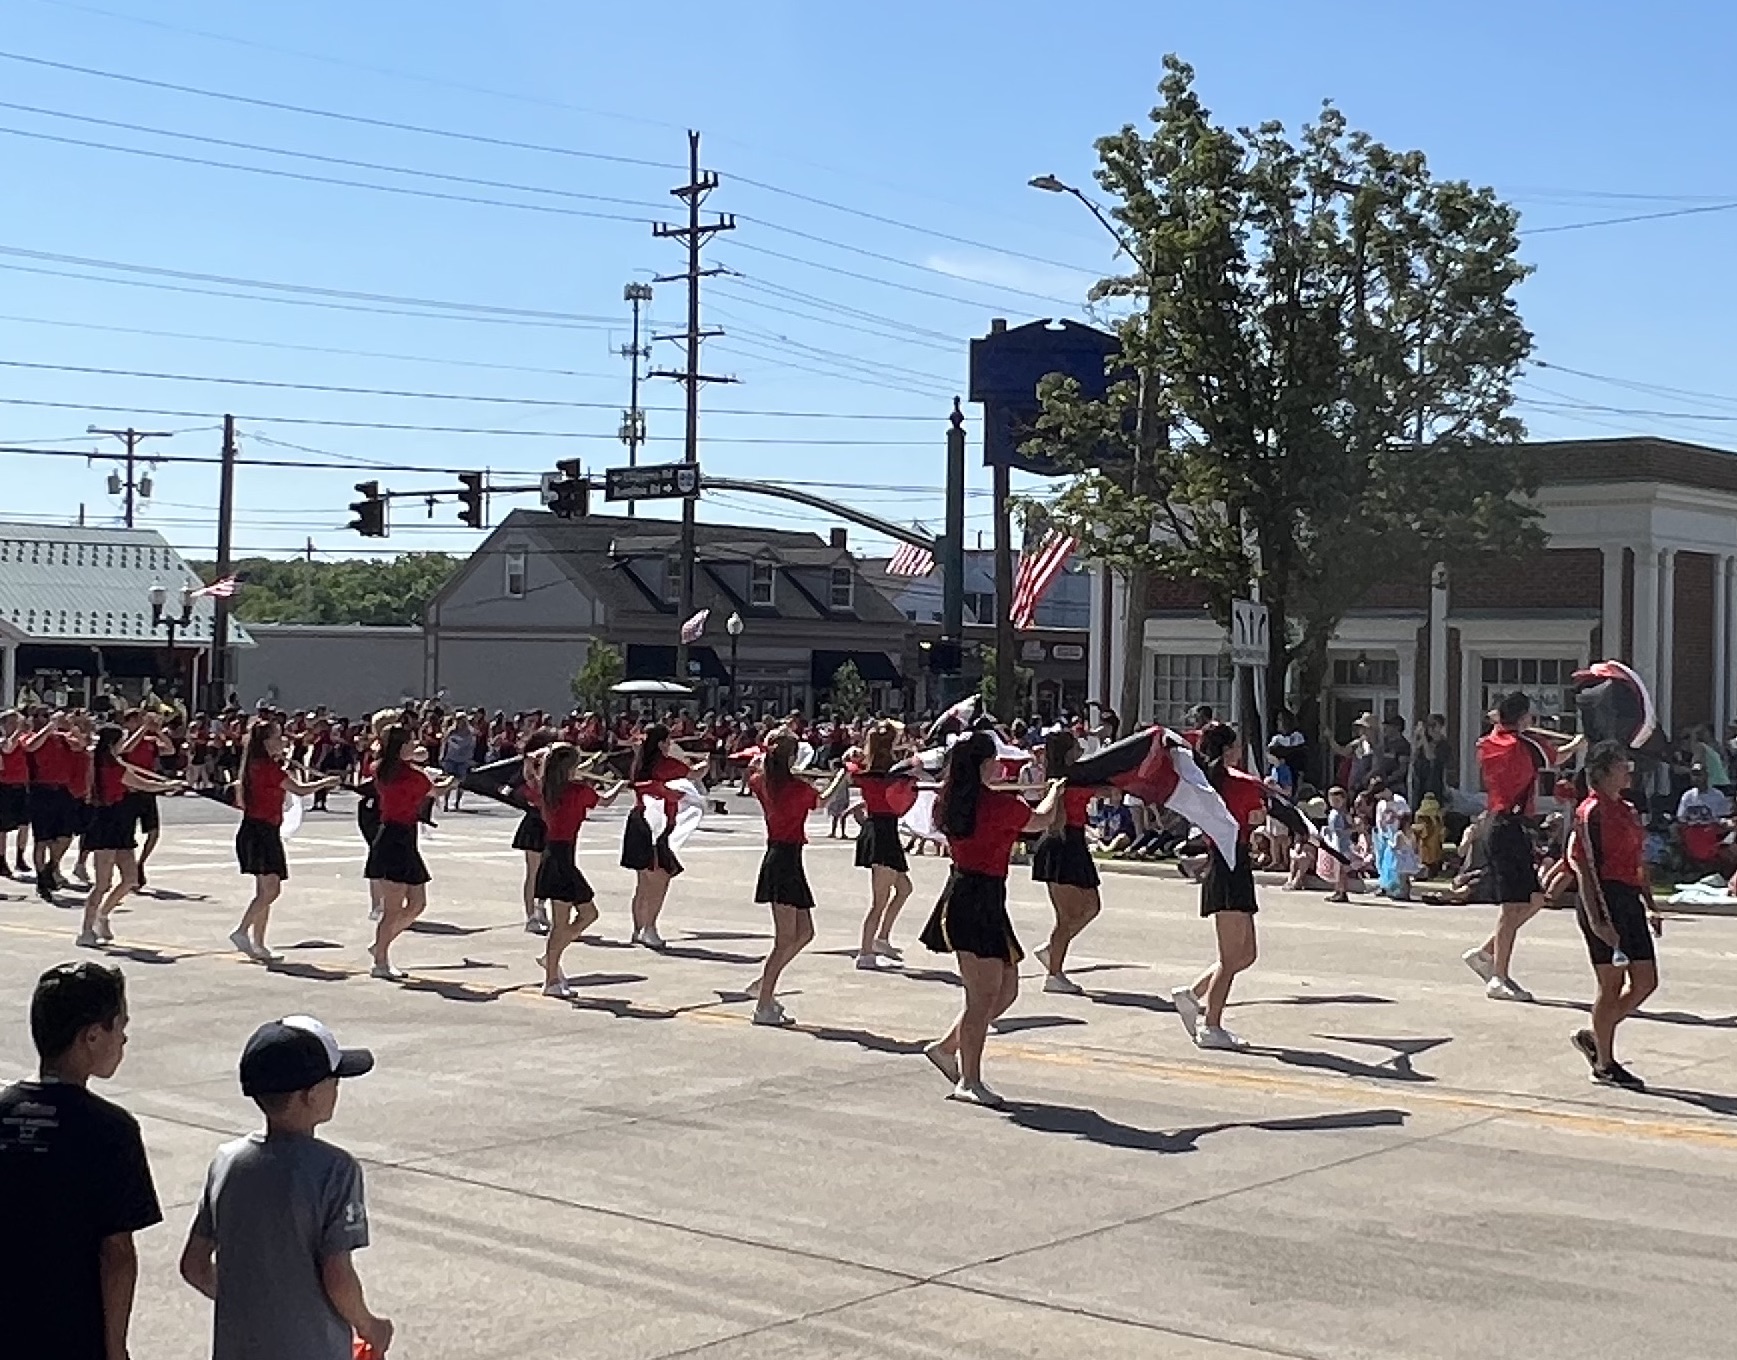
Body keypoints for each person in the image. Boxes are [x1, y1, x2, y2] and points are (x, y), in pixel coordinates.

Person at [179, 1015, 392, 1359]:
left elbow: (194, 1265)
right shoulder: (336, 1171)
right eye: (333, 1080)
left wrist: (254, 1307)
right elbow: (337, 1275)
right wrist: (371, 1326)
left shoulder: (227, 1162)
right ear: (310, 1095)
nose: (338, 1088)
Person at [0, 961, 162, 1360]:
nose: (124, 1039)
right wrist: (115, 1348)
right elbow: (117, 1254)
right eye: (119, 1026)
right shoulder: (111, 1130)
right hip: (72, 1333)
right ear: (91, 1036)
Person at [918, 730, 1065, 1108]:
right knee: (981, 997)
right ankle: (969, 1080)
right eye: (995, 759)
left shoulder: (951, 800)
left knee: (1005, 991)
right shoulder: (999, 804)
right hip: (976, 897)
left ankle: (946, 1047)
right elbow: (1040, 821)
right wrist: (1055, 790)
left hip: (976, 895)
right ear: (984, 764)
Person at [1461, 692, 1584, 1002]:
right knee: (1513, 905)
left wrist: (1507, 723)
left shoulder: (1490, 741)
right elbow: (1558, 757)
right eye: (1530, 715)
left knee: (1535, 898)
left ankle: (1486, 953)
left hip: (1501, 824)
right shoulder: (1523, 745)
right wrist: (1580, 743)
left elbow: (1501, 732)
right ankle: (1498, 978)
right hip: (1507, 825)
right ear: (1523, 718)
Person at [1565, 742, 1662, 1090]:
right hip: (1602, 899)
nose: (1629, 770)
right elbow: (1585, 868)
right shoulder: (1591, 812)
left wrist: (1650, 904)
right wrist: (1598, 921)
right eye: (1623, 764)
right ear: (1604, 770)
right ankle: (1605, 1063)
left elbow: (1639, 862)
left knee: (1646, 981)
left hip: (1628, 899)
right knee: (1612, 985)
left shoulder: (1628, 809)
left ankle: (1596, 1033)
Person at [1171, 722, 1267, 1051]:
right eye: (1236, 747)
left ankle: (1191, 994)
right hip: (1229, 863)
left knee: (1246, 954)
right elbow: (1256, 820)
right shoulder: (1239, 784)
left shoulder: (1204, 785)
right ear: (1228, 751)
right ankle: (1211, 1025)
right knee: (1230, 957)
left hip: (1232, 864)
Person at [746, 731, 848, 1025]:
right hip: (785, 859)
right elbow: (822, 802)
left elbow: (754, 773)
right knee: (784, 939)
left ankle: (765, 983)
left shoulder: (762, 783)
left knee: (805, 933)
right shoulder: (796, 787)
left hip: (783, 857)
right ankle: (764, 1003)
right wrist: (841, 775)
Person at [231, 719, 341, 962]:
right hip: (262, 831)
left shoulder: (258, 765)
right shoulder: (267, 768)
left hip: (258, 828)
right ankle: (241, 931)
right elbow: (300, 790)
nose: (283, 740)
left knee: (264, 891)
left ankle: (259, 944)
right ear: (266, 741)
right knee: (272, 889)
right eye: (277, 736)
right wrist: (326, 782)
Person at [528, 743, 623, 998]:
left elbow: (549, 770)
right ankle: (550, 977)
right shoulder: (578, 790)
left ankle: (551, 957)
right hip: (561, 857)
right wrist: (619, 785)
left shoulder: (547, 789)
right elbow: (605, 801)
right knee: (563, 923)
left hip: (557, 855)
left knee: (588, 914)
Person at [78, 723, 186, 949]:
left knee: (130, 878)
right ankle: (86, 930)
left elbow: (140, 780)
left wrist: (165, 784)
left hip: (121, 823)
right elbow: (141, 784)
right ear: (112, 744)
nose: (123, 744)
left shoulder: (113, 762)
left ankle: (103, 914)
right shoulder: (109, 766)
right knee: (102, 883)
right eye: (120, 741)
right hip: (106, 822)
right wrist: (167, 785)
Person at [365, 724, 454, 980]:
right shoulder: (412, 775)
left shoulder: (380, 768)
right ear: (401, 748)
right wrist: (450, 781)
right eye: (411, 744)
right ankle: (380, 961)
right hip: (396, 836)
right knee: (393, 908)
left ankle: (380, 946)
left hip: (401, 837)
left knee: (417, 903)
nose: (416, 748)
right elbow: (434, 791)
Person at [620, 723, 705, 950]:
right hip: (656, 825)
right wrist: (705, 761)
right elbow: (695, 773)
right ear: (661, 743)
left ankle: (638, 929)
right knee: (660, 879)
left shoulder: (639, 763)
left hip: (638, 820)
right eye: (668, 741)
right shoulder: (666, 764)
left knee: (643, 882)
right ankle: (650, 928)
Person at [1030, 728, 1102, 995]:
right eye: (1075, 745)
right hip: (1061, 843)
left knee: (1092, 906)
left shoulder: (1080, 775)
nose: (1079, 747)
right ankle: (1054, 974)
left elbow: (1100, 788)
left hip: (1076, 842)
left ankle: (1052, 950)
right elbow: (1054, 820)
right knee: (1066, 916)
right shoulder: (1059, 782)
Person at [850, 720, 917, 969]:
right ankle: (865, 952)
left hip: (879, 828)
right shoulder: (891, 771)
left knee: (904, 888)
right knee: (879, 900)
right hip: (883, 831)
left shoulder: (867, 769)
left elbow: (854, 770)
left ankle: (882, 938)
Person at [118, 709, 174, 891]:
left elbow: (170, 749)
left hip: (147, 791)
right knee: (128, 833)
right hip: (130, 791)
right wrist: (143, 729)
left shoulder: (150, 741)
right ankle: (130, 868)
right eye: (135, 720)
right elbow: (126, 749)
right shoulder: (124, 738)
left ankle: (141, 862)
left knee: (153, 832)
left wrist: (157, 731)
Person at [513, 729, 556, 936]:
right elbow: (534, 785)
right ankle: (531, 916)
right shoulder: (530, 765)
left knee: (547, 871)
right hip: (534, 821)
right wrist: (535, 762)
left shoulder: (550, 767)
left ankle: (541, 909)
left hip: (550, 821)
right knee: (533, 872)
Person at [1675, 763, 1734, 874]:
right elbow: (1681, 818)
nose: (1697, 778)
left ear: (1706, 775)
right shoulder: (1687, 796)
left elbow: (1724, 817)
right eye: (1694, 775)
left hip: (1711, 830)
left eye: (1699, 774)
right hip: (1692, 830)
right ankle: (1685, 865)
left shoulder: (1717, 795)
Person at [0, 707, 31, 876]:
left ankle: (20, 856)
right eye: (11, 722)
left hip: (22, 784)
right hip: (5, 786)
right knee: (3, 827)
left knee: (24, 824)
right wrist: (18, 732)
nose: (15, 725)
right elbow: (7, 749)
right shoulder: (3, 740)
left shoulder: (22, 739)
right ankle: (1, 858)